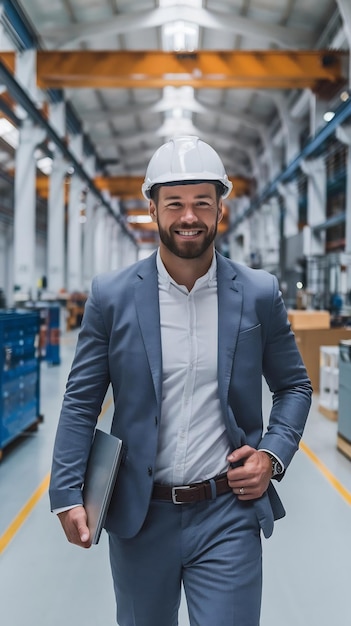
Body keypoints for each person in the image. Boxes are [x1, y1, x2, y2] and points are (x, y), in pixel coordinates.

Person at [49, 135, 312, 626]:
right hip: (140, 515)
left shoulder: (257, 294)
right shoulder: (113, 297)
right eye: (174, 203)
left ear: (219, 211)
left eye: (201, 203)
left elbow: (294, 386)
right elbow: (82, 400)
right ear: (153, 208)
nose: (188, 216)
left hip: (227, 511)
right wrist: (66, 491)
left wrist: (272, 456)